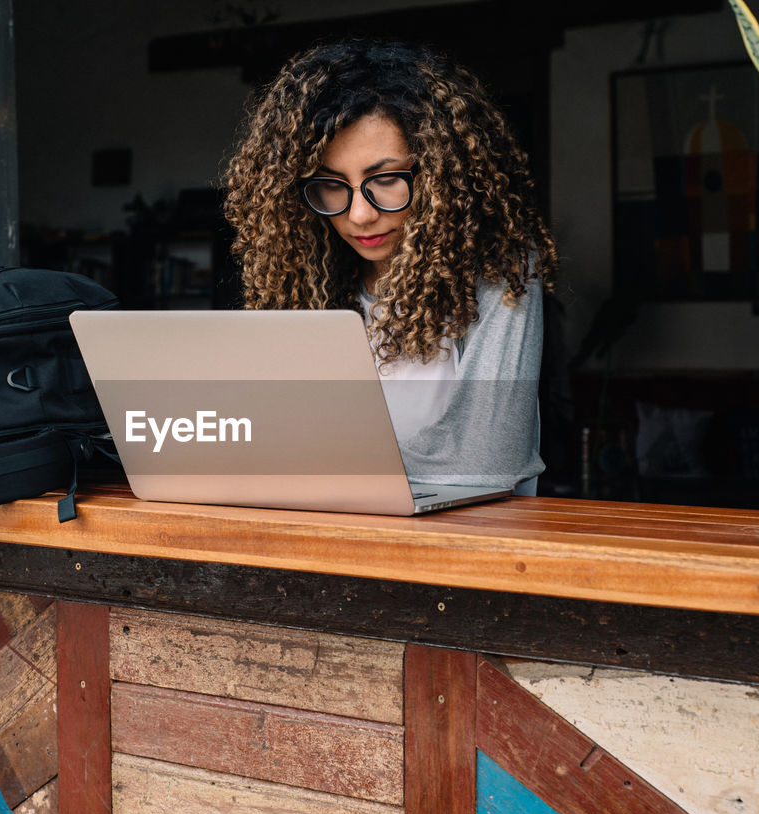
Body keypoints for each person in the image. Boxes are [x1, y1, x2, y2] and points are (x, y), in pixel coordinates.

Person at [222, 39, 557, 495]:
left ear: (441, 176)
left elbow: (487, 459)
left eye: (386, 180)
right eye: (331, 185)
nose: (359, 214)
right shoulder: (307, 288)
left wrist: (301, 459)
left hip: (466, 550)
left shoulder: (502, 273)